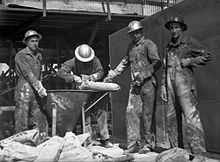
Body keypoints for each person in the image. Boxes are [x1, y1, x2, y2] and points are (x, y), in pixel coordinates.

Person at [104, 20, 161, 153]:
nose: (135, 35)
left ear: (141, 32)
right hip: (135, 86)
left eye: (137, 33)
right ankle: (133, 144)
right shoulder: (130, 47)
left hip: (148, 84)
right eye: (132, 34)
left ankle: (148, 144)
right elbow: (124, 63)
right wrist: (112, 74)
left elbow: (157, 62)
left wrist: (144, 74)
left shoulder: (148, 44)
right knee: (131, 113)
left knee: (147, 115)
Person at [160, 15, 211, 156]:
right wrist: (163, 86)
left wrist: (190, 61)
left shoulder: (189, 42)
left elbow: (206, 55)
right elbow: (165, 68)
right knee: (171, 118)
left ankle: (199, 154)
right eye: (171, 28)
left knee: (191, 118)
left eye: (176, 27)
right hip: (170, 86)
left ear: (182, 28)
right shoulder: (168, 47)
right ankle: (177, 151)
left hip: (186, 86)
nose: (174, 30)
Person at [57, 44, 113, 148]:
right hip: (82, 92)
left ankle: (105, 139)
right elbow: (60, 72)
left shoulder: (95, 60)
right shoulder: (72, 62)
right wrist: (73, 77)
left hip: (95, 91)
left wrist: (92, 77)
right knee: (85, 114)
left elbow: (100, 71)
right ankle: (88, 139)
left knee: (101, 112)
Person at [14, 30, 48, 137]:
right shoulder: (21, 55)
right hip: (24, 89)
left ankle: (38, 141)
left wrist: (40, 85)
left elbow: (39, 73)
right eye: (32, 41)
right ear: (27, 42)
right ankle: (20, 143)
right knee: (22, 119)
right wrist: (39, 87)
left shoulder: (39, 55)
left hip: (36, 90)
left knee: (39, 118)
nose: (35, 43)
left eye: (36, 41)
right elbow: (28, 73)